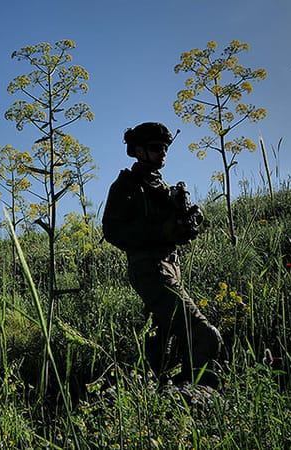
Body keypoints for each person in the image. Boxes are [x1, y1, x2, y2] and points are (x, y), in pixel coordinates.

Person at [102, 122, 222, 388]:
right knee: (205, 336)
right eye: (156, 147)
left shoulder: (164, 188)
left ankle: (161, 395)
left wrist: (187, 223)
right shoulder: (126, 186)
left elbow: (174, 231)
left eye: (165, 147)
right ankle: (199, 397)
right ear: (138, 151)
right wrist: (161, 231)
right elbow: (112, 231)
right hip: (150, 270)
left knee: (163, 343)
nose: (163, 152)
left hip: (170, 267)